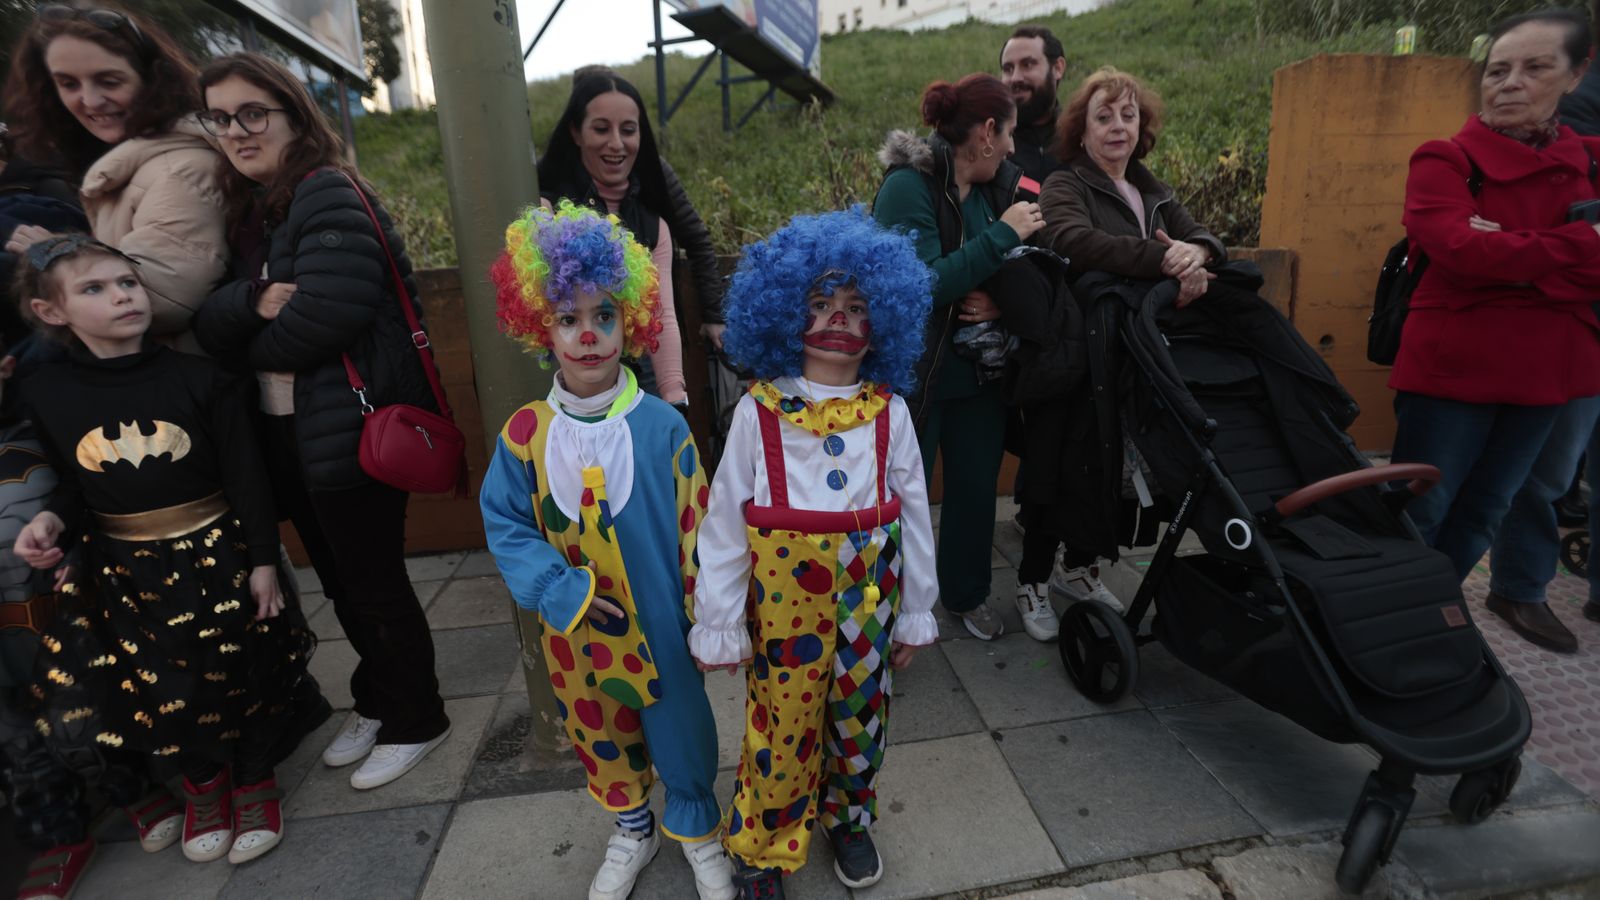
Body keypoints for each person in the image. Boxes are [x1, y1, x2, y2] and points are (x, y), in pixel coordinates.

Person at [192, 53, 451, 789]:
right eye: (220, 118)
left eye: (252, 113)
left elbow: (325, 318)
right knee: (342, 581)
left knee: (373, 583)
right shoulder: (260, 207)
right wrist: (250, 306)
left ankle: (417, 717)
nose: (237, 131)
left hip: (350, 427)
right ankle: (377, 701)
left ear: (292, 114)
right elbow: (218, 315)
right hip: (297, 433)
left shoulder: (324, 192)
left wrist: (246, 339)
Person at [13, 235, 314, 866]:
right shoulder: (49, 392)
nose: (122, 295)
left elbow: (247, 477)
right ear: (51, 313)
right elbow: (75, 480)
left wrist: (264, 561)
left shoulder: (203, 378)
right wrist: (49, 520)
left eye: (127, 281)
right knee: (159, 679)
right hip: (124, 565)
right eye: (94, 288)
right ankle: (205, 784)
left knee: (244, 664)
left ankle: (255, 781)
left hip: (217, 548)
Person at [480, 202, 731, 900]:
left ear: (635, 322)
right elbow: (505, 523)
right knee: (597, 731)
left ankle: (698, 830)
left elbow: (699, 528)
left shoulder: (662, 429)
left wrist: (710, 617)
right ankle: (633, 828)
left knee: (682, 732)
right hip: (578, 638)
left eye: (604, 317)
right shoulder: (524, 434)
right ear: (541, 327)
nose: (587, 335)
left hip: (663, 632)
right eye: (568, 319)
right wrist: (560, 592)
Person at [691, 208, 937, 899]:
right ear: (781, 312)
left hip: (869, 601)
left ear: (883, 319)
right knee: (782, 725)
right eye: (821, 303)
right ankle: (763, 848)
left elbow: (915, 515)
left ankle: (849, 817)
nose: (839, 319)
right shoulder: (758, 412)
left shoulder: (891, 413)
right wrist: (719, 617)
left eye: (858, 307)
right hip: (784, 613)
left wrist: (917, 608)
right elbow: (724, 525)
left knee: (862, 714)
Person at [1389, 8, 1600, 653]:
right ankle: (1387, 620)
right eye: (1498, 69)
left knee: (1489, 507)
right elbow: (1458, 252)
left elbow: (1488, 260)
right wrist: (1580, 243)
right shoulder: (1444, 158)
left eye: (1535, 68)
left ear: (1576, 73)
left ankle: (1433, 616)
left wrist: (1511, 249)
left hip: (1544, 375)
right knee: (1422, 508)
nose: (1509, 83)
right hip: (1454, 370)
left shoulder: (1589, 160)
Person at [1028, 67, 1226, 638]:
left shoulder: (1154, 190)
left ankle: (1080, 568)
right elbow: (1071, 240)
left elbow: (1204, 237)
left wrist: (1196, 256)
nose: (1119, 126)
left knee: (1118, 471)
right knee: (1064, 467)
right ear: (1082, 130)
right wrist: (1162, 259)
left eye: (1129, 115)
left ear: (1144, 127)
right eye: (1105, 116)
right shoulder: (1067, 182)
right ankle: (1032, 581)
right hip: (1081, 352)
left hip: (1142, 354)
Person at [872, 74, 1042, 640]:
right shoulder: (907, 186)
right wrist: (999, 239)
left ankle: (966, 595)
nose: (1016, 147)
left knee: (974, 492)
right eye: (1010, 133)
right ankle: (889, 613)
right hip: (916, 377)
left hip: (981, 373)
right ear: (988, 132)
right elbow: (919, 284)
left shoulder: (1000, 188)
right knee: (900, 501)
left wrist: (997, 302)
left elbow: (1021, 270)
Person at [1, 3, 226, 349]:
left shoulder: (181, 168)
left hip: (156, 385)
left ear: (152, 79)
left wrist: (55, 256)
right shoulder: (123, 158)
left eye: (109, 81)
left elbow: (164, 300)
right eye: (68, 83)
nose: (90, 100)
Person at [537, 72, 690, 409]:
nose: (617, 143)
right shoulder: (546, 209)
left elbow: (661, 315)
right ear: (576, 132)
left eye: (629, 130)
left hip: (638, 374)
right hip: (570, 380)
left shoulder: (653, 223)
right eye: (602, 129)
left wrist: (673, 392)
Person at [570, 65, 728, 350]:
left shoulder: (654, 171)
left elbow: (696, 237)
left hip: (646, 332)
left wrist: (714, 314)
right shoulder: (560, 177)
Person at [1000, 24, 1069, 186]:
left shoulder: (1084, 138)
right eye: (1008, 69)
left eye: (1028, 64)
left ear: (1058, 68)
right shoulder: (989, 146)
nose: (1015, 77)